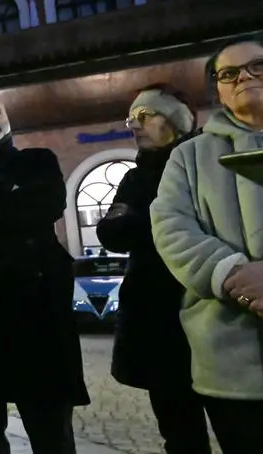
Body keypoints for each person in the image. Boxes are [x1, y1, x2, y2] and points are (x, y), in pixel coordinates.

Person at [0, 94, 89, 454]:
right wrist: (5, 194)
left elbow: (46, 204)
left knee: (50, 433)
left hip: (38, 317)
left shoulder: (37, 160)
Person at [151, 37, 263, 452]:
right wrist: (234, 273)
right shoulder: (190, 156)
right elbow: (171, 225)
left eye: (257, 66)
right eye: (229, 73)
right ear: (218, 89)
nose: (244, 77)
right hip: (232, 355)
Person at [96, 85, 211, 454]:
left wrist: (145, 220)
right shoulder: (135, 177)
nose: (134, 125)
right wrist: (168, 220)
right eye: (131, 118)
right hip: (157, 320)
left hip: (213, 310)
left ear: (175, 120)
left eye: (145, 115)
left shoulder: (207, 162)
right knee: (179, 433)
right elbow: (111, 232)